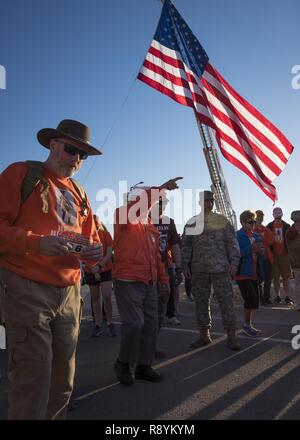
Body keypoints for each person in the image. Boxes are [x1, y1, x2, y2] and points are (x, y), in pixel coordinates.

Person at [0, 119, 102, 420]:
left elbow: (89, 241)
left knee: (62, 382)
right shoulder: (22, 173)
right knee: (33, 379)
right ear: (53, 145)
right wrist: (36, 244)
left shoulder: (81, 194)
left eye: (83, 155)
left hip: (70, 294)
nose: (77, 159)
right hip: (25, 287)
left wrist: (94, 253)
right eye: (72, 150)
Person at [112, 178, 181, 386]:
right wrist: (160, 189)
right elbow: (137, 209)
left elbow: (156, 256)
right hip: (128, 279)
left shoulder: (150, 226)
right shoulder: (122, 214)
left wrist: (164, 279)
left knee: (150, 324)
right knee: (135, 323)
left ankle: (143, 365)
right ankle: (123, 363)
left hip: (149, 281)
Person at [182, 190, 241, 351]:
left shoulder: (221, 221)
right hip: (199, 270)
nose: (208, 204)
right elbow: (186, 245)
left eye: (210, 201)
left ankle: (231, 336)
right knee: (201, 303)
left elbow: (232, 243)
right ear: (200, 203)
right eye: (205, 201)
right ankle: (204, 335)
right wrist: (184, 264)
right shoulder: (192, 223)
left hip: (220, 269)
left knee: (226, 303)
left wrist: (234, 262)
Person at [150, 194, 182, 328]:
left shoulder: (169, 222)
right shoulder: (146, 220)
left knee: (171, 289)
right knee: (150, 292)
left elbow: (175, 245)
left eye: (164, 204)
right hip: (149, 263)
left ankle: (171, 314)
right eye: (160, 203)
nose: (162, 206)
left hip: (166, 263)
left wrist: (179, 268)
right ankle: (152, 316)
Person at [84, 215, 115, 337]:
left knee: (107, 296)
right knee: (95, 298)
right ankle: (97, 324)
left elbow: (109, 253)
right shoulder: (86, 236)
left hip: (105, 269)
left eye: (96, 222)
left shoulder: (106, 234)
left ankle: (109, 322)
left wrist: (100, 266)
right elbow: (83, 255)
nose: (95, 224)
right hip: (90, 270)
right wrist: (94, 270)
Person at [235, 210, 264, 337]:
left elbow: (261, 254)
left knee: (254, 300)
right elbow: (237, 253)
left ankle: (248, 325)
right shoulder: (238, 236)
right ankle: (247, 326)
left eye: (254, 222)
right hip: (242, 272)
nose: (252, 224)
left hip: (254, 272)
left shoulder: (256, 236)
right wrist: (252, 248)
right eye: (249, 222)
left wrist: (261, 250)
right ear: (242, 222)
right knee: (250, 299)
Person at [267, 207, 293, 305]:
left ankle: (287, 296)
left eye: (279, 216)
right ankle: (277, 296)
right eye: (276, 216)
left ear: (281, 215)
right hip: (274, 256)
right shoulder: (269, 226)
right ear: (273, 216)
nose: (277, 218)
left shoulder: (287, 226)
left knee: (286, 277)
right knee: (276, 278)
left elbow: (291, 241)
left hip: (285, 256)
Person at [254, 210, 274, 305]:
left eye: (261, 216)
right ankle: (259, 298)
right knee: (258, 278)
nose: (260, 218)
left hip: (267, 257)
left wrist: (261, 239)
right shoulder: (252, 229)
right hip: (256, 258)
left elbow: (271, 241)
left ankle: (266, 298)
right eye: (258, 216)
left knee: (268, 278)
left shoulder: (266, 229)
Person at [286, 211, 300, 311]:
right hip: (296, 261)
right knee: (298, 283)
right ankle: (298, 304)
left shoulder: (289, 231)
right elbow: (292, 247)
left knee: (297, 283)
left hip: (295, 261)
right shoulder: (290, 232)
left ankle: (298, 304)